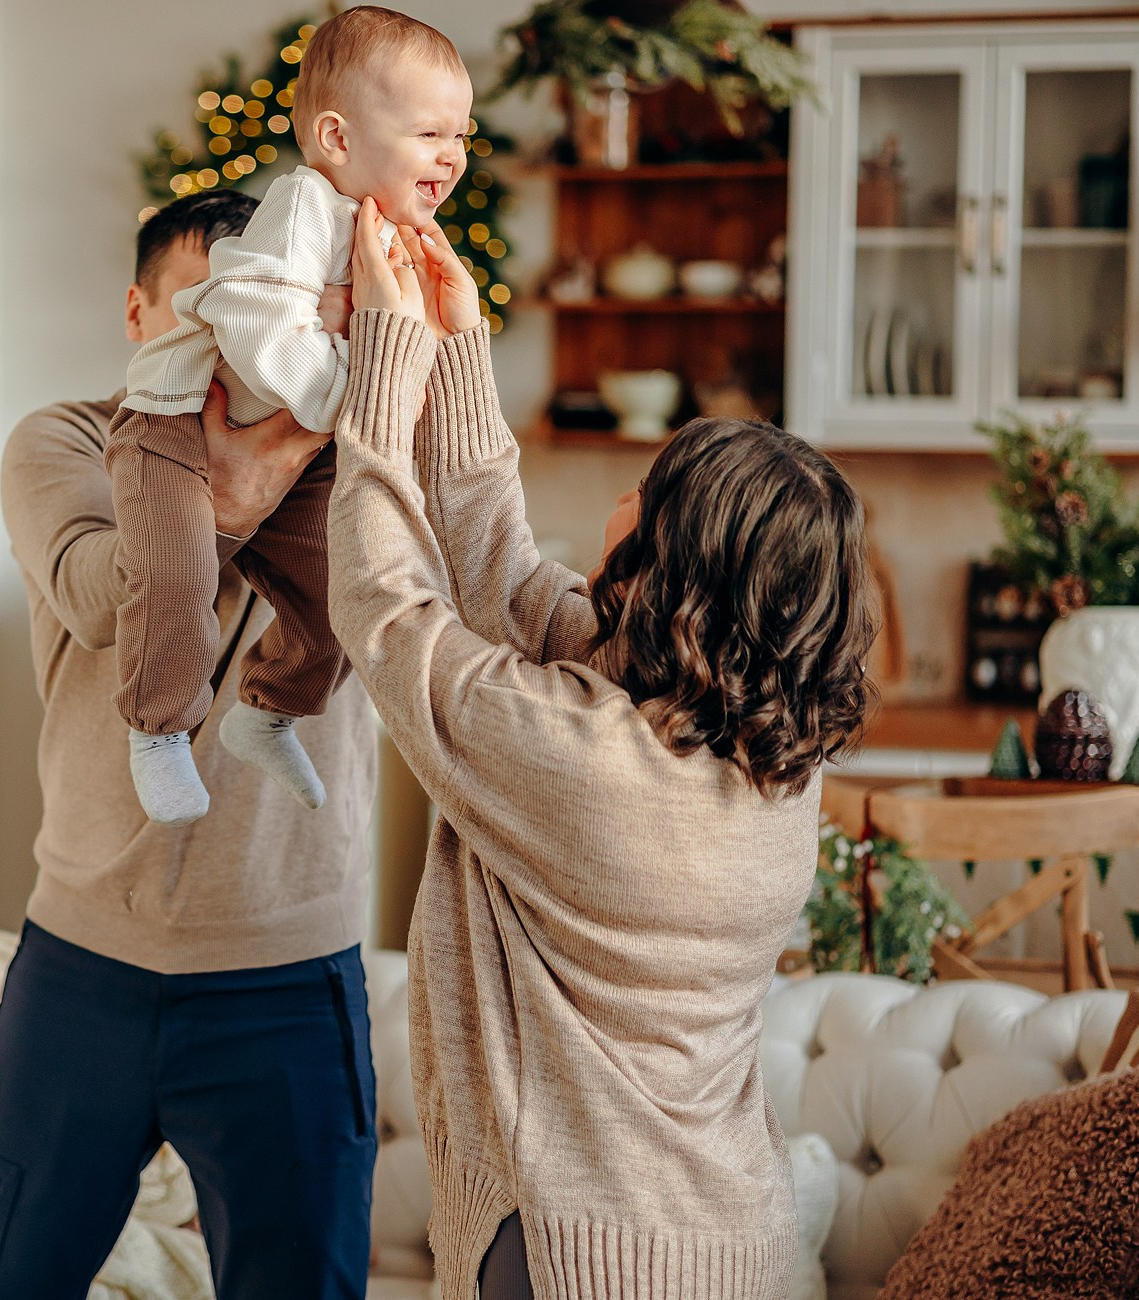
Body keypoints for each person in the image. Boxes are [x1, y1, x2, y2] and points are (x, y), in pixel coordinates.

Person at [329, 206, 878, 1300]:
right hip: (734, 1245)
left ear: (671, 560)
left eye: (648, 487)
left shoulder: (583, 762)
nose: (622, 494)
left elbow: (386, 610)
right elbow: (513, 578)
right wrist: (458, 339)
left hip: (580, 1259)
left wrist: (385, 364)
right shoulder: (769, 758)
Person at [0, 189, 379, 1300]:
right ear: (137, 317)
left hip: (288, 971)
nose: (226, 353)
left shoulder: (361, 459)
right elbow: (99, 597)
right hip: (82, 968)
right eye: (196, 318)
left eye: (249, 318)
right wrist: (233, 484)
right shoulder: (67, 440)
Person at [108, 7, 473, 825]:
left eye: (461, 134)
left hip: (299, 446)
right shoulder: (305, 205)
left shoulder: (393, 229)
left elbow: (405, 350)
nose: (452, 154)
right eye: (429, 133)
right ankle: (158, 731)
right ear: (339, 139)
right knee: (175, 574)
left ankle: (268, 710)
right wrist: (353, 392)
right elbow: (259, 324)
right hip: (173, 427)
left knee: (343, 586)